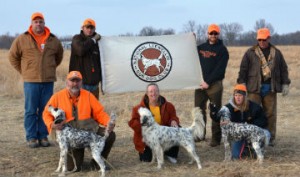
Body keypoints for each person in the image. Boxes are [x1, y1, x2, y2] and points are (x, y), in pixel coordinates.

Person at [8, 12, 64, 148]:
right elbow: (12, 57)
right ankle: (31, 137)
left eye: (40, 21)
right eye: (35, 22)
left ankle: (43, 136)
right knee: (31, 110)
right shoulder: (22, 39)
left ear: (44, 23)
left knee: (46, 110)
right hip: (30, 81)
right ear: (31, 24)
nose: (38, 24)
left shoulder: (53, 39)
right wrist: (25, 71)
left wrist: (49, 69)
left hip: (47, 81)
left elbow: (59, 57)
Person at [43, 71, 116, 171]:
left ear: (81, 83)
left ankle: (96, 164)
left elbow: (100, 113)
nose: (75, 84)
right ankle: (78, 161)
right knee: (72, 168)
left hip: (88, 131)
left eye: (78, 81)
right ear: (67, 82)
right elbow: (46, 113)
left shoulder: (89, 96)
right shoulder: (57, 97)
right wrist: (52, 124)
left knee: (110, 135)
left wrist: (108, 123)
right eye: (72, 81)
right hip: (70, 136)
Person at [237, 28, 291, 146]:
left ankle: (270, 138)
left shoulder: (276, 52)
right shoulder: (250, 52)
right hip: (253, 88)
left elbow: (283, 69)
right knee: (251, 113)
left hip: (270, 88)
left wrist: (285, 83)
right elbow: (243, 69)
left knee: (270, 114)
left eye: (264, 39)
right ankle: (251, 136)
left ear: (269, 38)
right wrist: (241, 84)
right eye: (259, 39)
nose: (262, 42)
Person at [194, 24, 229, 147]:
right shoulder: (201, 48)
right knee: (198, 110)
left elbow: (220, 70)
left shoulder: (222, 50)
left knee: (215, 112)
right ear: (207, 34)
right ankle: (199, 135)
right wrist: (190, 39)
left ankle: (216, 139)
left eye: (215, 33)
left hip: (214, 85)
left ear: (218, 35)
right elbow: (189, 52)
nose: (213, 35)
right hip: (200, 84)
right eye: (211, 33)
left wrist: (207, 82)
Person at [128, 83, 180, 164]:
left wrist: (173, 120)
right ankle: (154, 151)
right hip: (147, 139)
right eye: (151, 91)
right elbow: (132, 123)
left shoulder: (169, 106)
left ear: (159, 92)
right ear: (147, 93)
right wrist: (142, 124)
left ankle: (171, 153)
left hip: (163, 135)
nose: (153, 93)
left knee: (177, 128)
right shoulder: (137, 109)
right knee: (146, 160)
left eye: (155, 91)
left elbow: (173, 117)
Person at [215, 84, 269, 159]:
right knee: (235, 156)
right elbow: (217, 117)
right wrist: (218, 118)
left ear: (244, 96)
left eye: (240, 95)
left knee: (266, 134)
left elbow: (264, 120)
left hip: (253, 132)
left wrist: (248, 126)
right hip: (238, 136)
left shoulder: (254, 107)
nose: (238, 98)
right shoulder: (228, 108)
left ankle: (258, 150)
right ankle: (247, 150)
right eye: (236, 95)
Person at [69, 18, 102, 99]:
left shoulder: (98, 43)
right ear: (82, 28)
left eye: (92, 28)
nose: (89, 30)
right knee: (80, 109)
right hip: (79, 84)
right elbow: (80, 50)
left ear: (95, 29)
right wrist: (93, 40)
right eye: (87, 27)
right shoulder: (77, 39)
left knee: (94, 109)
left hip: (94, 84)